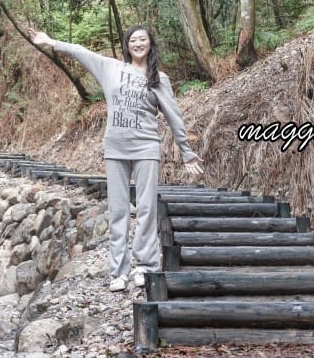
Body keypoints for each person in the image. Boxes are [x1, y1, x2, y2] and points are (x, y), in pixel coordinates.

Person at [27, 25, 204, 292]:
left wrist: (186, 151)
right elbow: (80, 52)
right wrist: (51, 41)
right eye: (133, 40)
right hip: (116, 149)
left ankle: (145, 266)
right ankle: (118, 272)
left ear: (150, 44)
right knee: (119, 210)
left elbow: (173, 115)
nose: (138, 43)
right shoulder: (110, 68)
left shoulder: (159, 79)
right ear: (127, 45)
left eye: (143, 39)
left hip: (146, 148)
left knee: (146, 209)